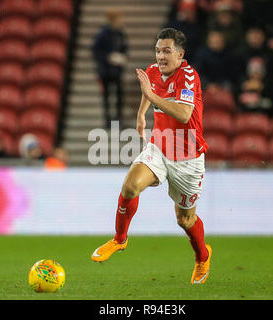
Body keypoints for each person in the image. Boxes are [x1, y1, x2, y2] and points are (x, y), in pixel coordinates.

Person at [91, 28, 212, 285]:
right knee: (130, 185)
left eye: (167, 51)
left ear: (181, 54)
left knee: (184, 219)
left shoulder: (188, 76)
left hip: (188, 156)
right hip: (160, 145)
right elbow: (150, 88)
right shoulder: (153, 71)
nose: (160, 56)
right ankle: (119, 239)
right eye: (158, 50)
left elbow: (183, 114)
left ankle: (202, 256)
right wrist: (141, 114)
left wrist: (151, 96)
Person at [92, 10, 128, 129]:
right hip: (105, 71)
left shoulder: (121, 34)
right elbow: (96, 51)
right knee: (106, 97)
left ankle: (118, 119)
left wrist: (122, 57)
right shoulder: (102, 34)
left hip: (117, 71)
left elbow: (124, 48)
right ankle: (107, 120)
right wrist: (108, 57)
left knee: (119, 96)